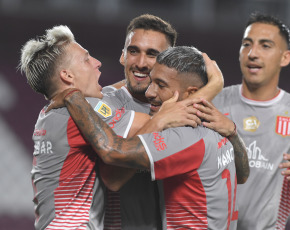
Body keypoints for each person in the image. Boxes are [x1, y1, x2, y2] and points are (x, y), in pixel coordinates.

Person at [19, 25, 203, 230]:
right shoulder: (84, 108)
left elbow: (112, 93)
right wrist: (210, 86)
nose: (97, 63)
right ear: (67, 76)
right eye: (87, 59)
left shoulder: (48, 115)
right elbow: (154, 123)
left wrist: (138, 75)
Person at [50, 46, 250, 229]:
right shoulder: (219, 123)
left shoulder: (183, 137)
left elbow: (113, 160)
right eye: (151, 81)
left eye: (161, 85)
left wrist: (73, 97)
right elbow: (242, 176)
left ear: (192, 93)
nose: (150, 92)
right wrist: (232, 131)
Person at [212, 12, 290, 229]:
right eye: (247, 44)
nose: (253, 53)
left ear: (284, 57)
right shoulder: (214, 103)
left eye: (265, 46)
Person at [101, 14, 224, 230]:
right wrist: (214, 85)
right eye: (133, 51)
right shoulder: (105, 103)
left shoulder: (179, 101)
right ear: (122, 56)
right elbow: (113, 177)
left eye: (152, 54)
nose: (140, 63)